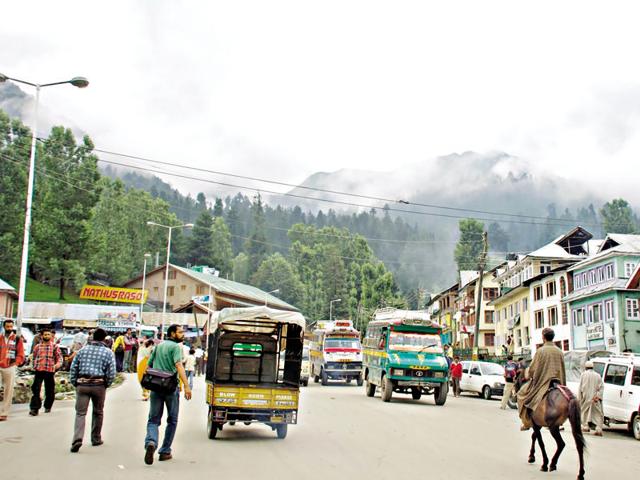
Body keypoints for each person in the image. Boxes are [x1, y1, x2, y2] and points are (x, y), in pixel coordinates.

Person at [144, 324, 192, 465]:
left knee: (153, 419)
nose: (182, 334)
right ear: (172, 333)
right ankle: (165, 451)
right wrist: (187, 386)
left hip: (156, 387)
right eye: (180, 332)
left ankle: (151, 441)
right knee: (172, 420)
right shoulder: (175, 347)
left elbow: (148, 366)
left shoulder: (158, 346)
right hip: (171, 387)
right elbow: (179, 365)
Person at [68, 328, 116, 452]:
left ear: (93, 337)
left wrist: (76, 383)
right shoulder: (108, 352)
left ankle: (77, 439)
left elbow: (73, 368)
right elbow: (111, 373)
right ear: (104, 339)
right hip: (98, 385)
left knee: (80, 413)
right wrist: (106, 384)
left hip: (82, 385)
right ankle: (96, 438)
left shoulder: (82, 351)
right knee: (98, 412)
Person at [517, 328, 566, 430]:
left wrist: (528, 374)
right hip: (559, 382)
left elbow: (533, 369)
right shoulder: (559, 351)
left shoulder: (540, 351)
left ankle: (526, 422)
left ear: (543, 337)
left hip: (544, 382)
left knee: (521, 393)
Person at [29, 328, 62, 416]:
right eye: (45, 334)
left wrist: (56, 366)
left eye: (48, 334)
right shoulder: (37, 347)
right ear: (42, 336)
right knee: (36, 389)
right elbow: (34, 357)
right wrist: (34, 365)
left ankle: (48, 406)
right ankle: (34, 408)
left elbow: (59, 359)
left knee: (50, 390)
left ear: (51, 336)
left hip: (50, 371)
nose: (47, 336)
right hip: (39, 370)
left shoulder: (55, 346)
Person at [0, 319, 25, 421]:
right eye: (7, 327)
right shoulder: (0, 338)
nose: (9, 328)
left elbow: (21, 354)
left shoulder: (17, 339)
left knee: (8, 390)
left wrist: (16, 363)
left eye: (11, 326)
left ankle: (4, 413)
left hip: (10, 366)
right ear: (4, 327)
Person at [579, 360, 604, 436]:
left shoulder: (583, 375)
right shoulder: (598, 375)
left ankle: (585, 426)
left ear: (586, 367)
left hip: (585, 397)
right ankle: (598, 429)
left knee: (584, 412)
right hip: (595, 398)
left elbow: (580, 387)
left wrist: (580, 398)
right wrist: (598, 396)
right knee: (597, 413)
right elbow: (601, 387)